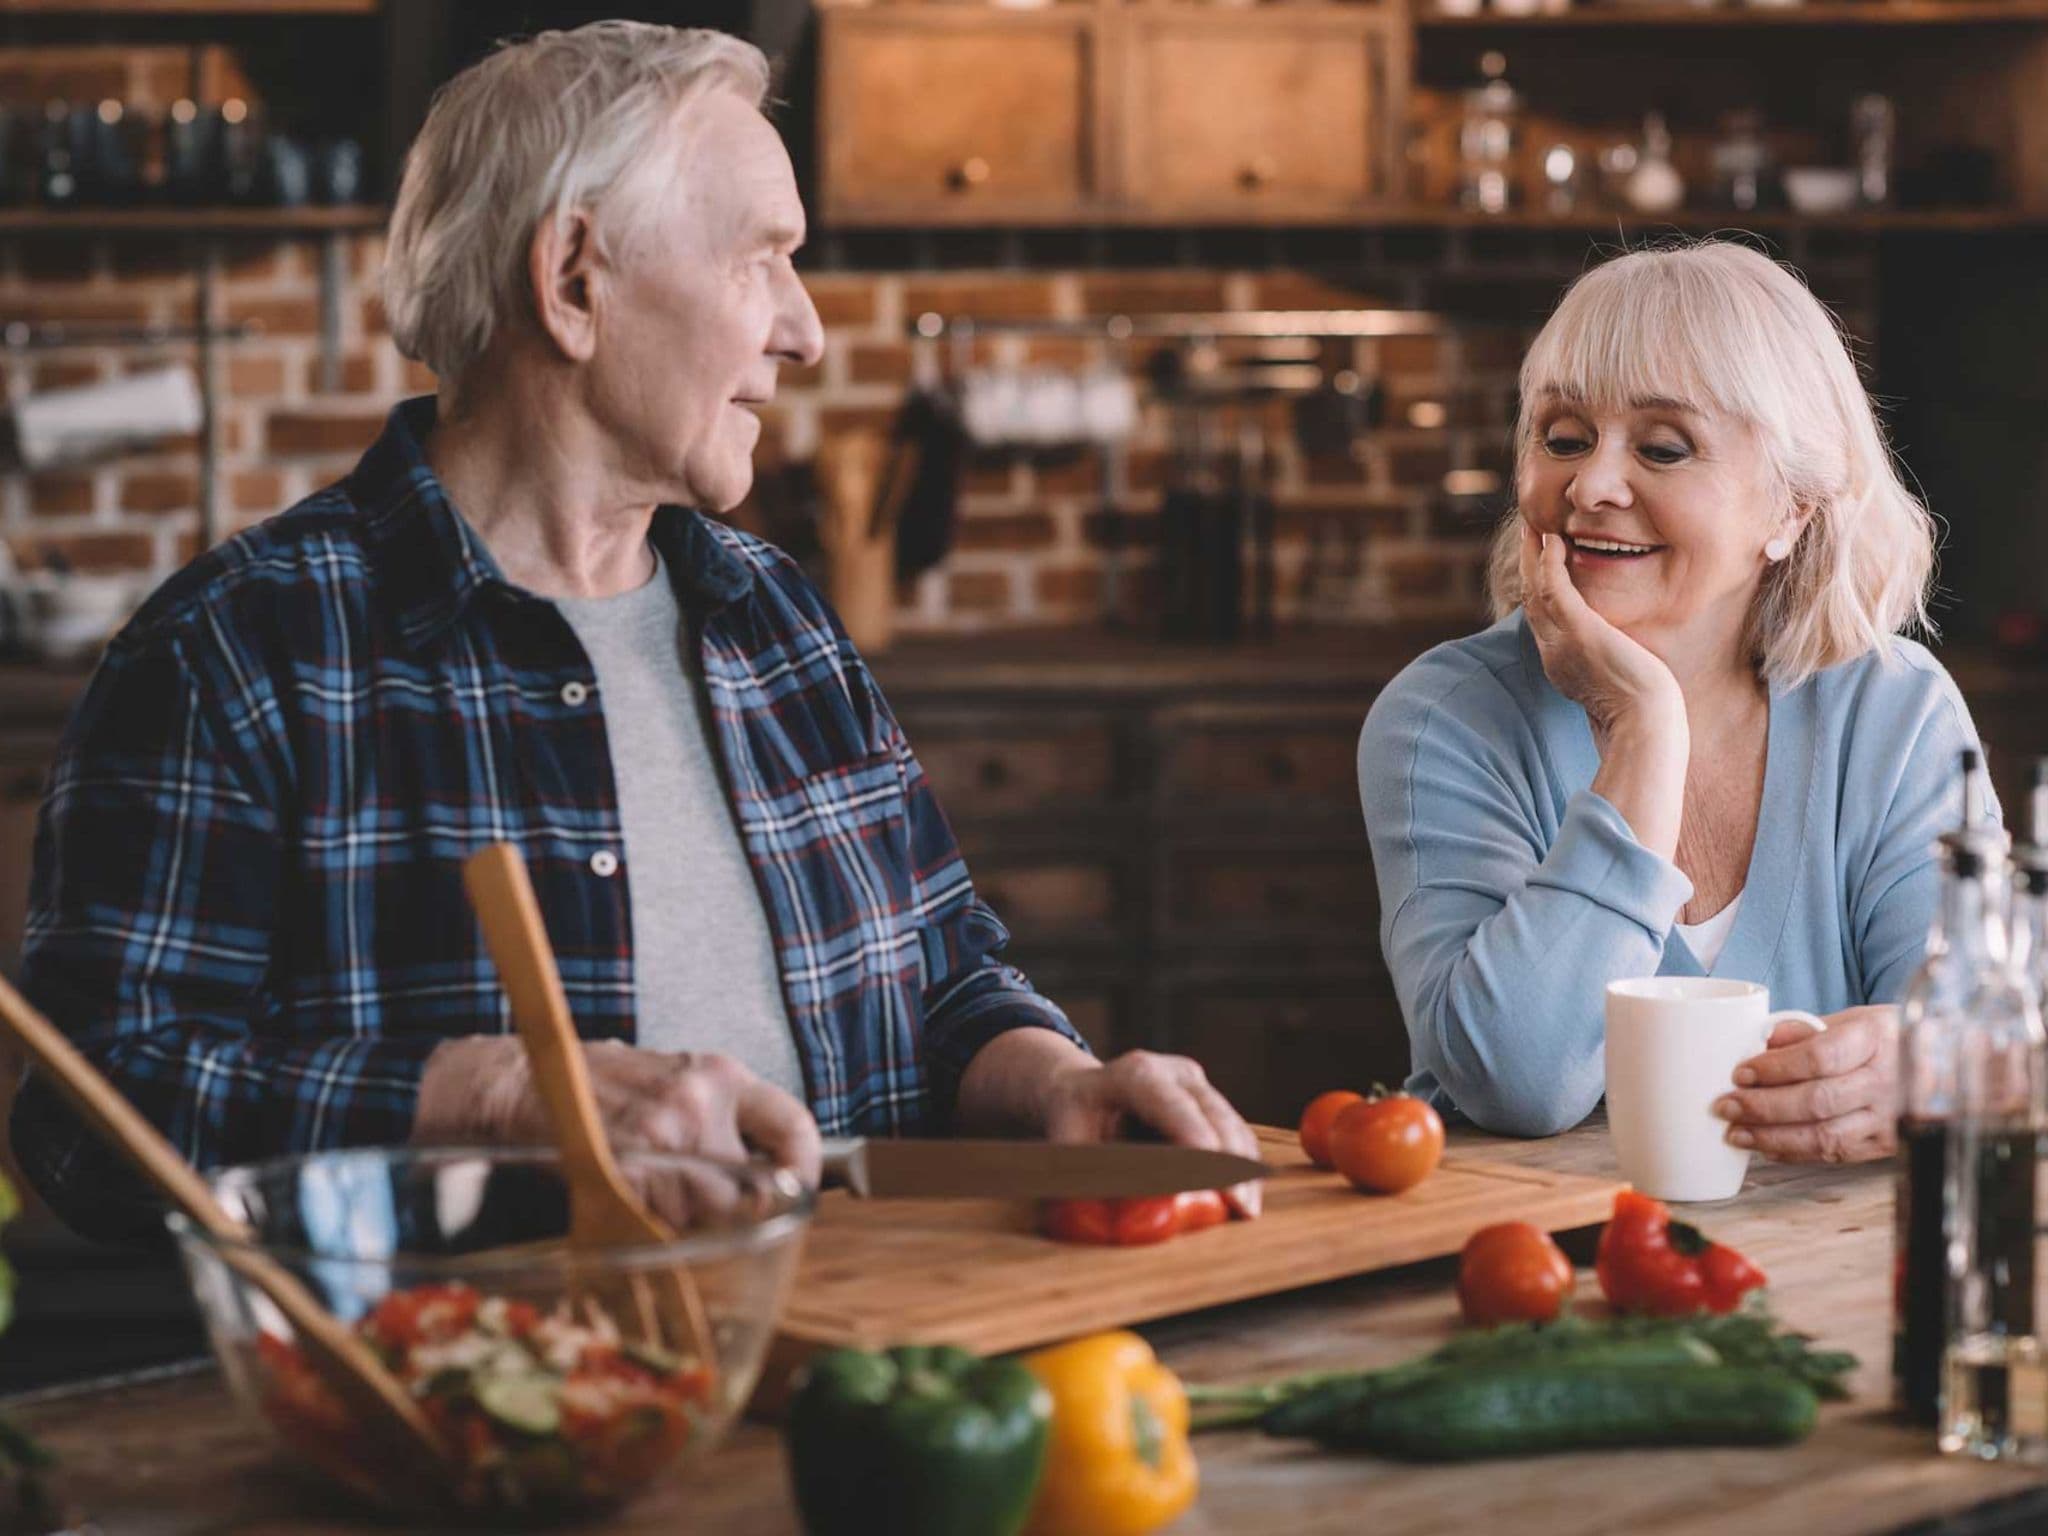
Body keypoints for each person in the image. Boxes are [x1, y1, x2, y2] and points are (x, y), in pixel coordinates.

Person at [14, 22, 1259, 1243]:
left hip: (852, 1376)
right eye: (758, 260)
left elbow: (940, 972)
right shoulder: (234, 654)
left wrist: (1051, 1081)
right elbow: (93, 1118)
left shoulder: (777, 622)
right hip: (469, 1411)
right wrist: (502, 1097)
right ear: (572, 283)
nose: (805, 328)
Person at [1358, 238, 1975, 1165]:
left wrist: (1927, 1065)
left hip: (1832, 1265)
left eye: (1663, 447)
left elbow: (1988, 1031)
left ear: (1788, 511)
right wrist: (1643, 731)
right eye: (1562, 438)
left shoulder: (1893, 712)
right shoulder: (1447, 717)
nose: (1592, 486)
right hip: (1540, 1271)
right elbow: (1517, 1080)